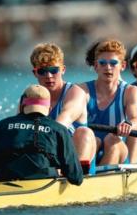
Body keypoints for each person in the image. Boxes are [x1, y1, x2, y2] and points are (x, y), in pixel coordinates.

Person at [0, 85, 83, 185]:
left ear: (22, 106)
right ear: (49, 109)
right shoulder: (59, 129)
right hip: (44, 181)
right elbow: (76, 177)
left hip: (3, 180)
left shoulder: (3, 125)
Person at [79, 39, 137, 165]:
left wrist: (128, 124)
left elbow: (135, 118)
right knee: (93, 139)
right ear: (96, 66)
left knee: (112, 139)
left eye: (113, 63)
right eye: (103, 63)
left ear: (122, 66)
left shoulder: (130, 91)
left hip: (119, 149)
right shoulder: (82, 91)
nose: (108, 68)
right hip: (92, 149)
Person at [30, 43, 96, 174]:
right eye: (42, 71)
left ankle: (76, 176)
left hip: (76, 158)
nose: (48, 76)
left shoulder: (76, 92)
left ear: (63, 70)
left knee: (84, 132)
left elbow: (66, 118)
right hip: (48, 160)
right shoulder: (31, 95)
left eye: (54, 70)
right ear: (35, 73)